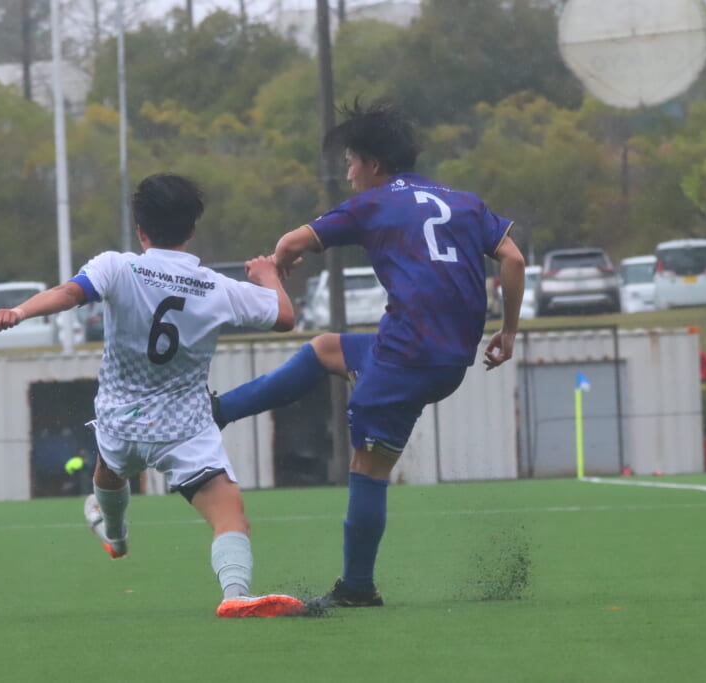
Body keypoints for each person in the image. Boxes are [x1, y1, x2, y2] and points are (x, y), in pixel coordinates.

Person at [211, 101, 526, 607]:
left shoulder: (373, 204)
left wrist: (276, 266)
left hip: (406, 357)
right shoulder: (463, 201)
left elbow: (290, 241)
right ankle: (219, 412)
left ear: (374, 164)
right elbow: (513, 258)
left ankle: (357, 587)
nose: (349, 175)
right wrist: (508, 331)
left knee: (368, 467)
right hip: (448, 359)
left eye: (351, 163)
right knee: (325, 349)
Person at [0, 173, 304, 618]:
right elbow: (285, 316)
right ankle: (234, 594)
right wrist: (268, 275)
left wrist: (19, 312)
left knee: (110, 466)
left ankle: (115, 534)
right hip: (183, 430)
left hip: (120, 422)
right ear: (192, 230)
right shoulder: (217, 287)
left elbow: (70, 293)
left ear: (140, 230)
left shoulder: (118, 267)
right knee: (230, 516)